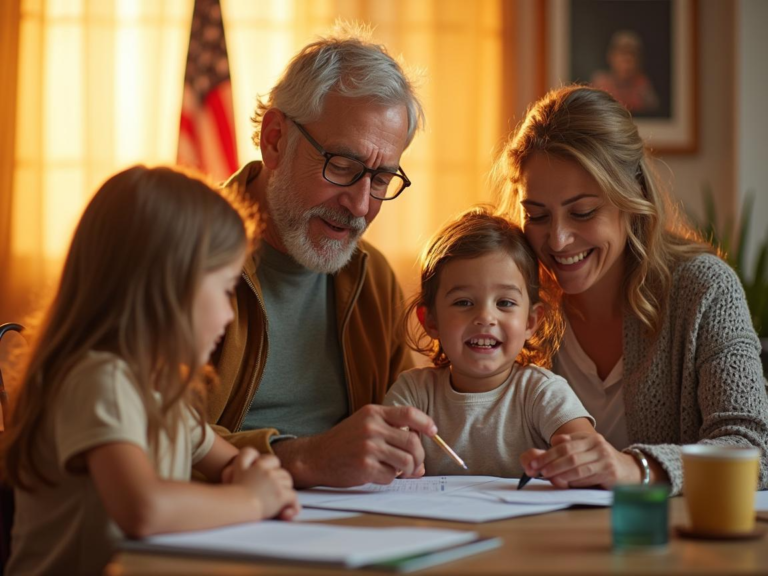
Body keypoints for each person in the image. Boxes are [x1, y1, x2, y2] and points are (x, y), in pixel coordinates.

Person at [1, 166, 299, 575]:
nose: (229, 314)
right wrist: (253, 499)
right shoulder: (99, 379)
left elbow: (232, 464)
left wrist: (255, 475)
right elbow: (142, 509)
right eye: (225, 289)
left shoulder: (161, 392)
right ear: (169, 287)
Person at [494, 85, 768, 495]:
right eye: (536, 215)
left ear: (633, 197)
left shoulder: (704, 290)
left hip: (663, 533)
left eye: (583, 212)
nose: (558, 240)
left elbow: (752, 450)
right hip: (538, 531)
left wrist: (634, 468)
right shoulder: (510, 301)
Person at [208, 28, 438, 489]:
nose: (360, 205)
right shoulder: (179, 254)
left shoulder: (372, 277)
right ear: (274, 140)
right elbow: (147, 436)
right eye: (343, 166)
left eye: (380, 179)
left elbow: (402, 420)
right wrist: (304, 458)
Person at [383, 207, 595, 477]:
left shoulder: (542, 393)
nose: (485, 317)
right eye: (463, 302)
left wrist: (573, 458)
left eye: (505, 303)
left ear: (530, 322)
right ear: (431, 321)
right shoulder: (413, 392)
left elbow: (589, 455)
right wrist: (395, 460)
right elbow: (384, 452)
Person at [590, 30, 659, 115]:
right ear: (611, 56)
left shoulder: (643, 84)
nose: (627, 59)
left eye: (632, 54)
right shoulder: (600, 82)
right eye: (622, 53)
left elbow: (654, 113)